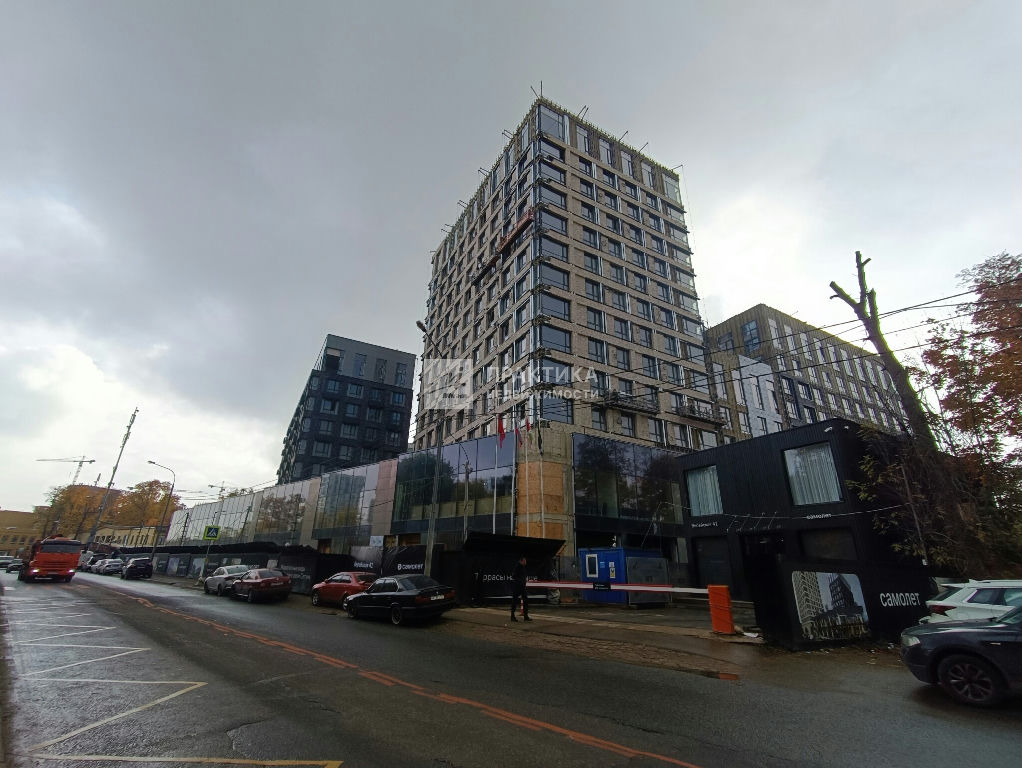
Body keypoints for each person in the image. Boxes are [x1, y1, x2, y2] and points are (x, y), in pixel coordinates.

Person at [510, 555, 531, 622]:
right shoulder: (517, 567)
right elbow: (513, 576)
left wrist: (524, 582)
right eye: (524, 561)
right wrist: (520, 582)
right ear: (521, 561)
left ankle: (526, 616)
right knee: (514, 601)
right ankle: (512, 616)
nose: (525, 562)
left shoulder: (523, 567)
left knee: (525, 600)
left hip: (522, 587)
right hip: (517, 587)